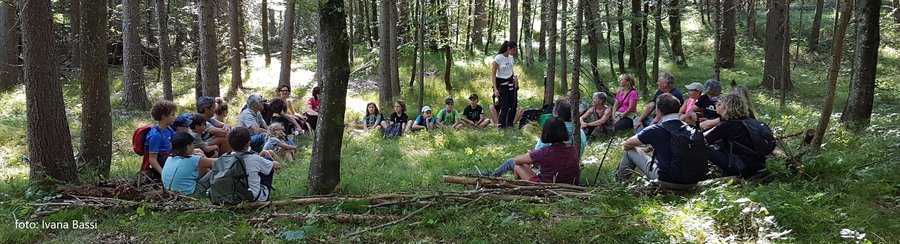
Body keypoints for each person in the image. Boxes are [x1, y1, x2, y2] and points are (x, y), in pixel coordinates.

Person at [615, 93, 707, 189]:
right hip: (694, 180)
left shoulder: (655, 129)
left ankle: (618, 182)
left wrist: (639, 149)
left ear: (660, 112)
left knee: (631, 152)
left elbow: (627, 144)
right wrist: (649, 148)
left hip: (667, 180)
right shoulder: (689, 128)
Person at [483, 118, 580, 184]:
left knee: (514, 163)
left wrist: (532, 159)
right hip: (569, 184)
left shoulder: (544, 152)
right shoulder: (572, 149)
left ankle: (493, 175)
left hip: (546, 186)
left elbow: (517, 160)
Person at [704, 93, 766, 178]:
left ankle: (697, 174)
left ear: (726, 108)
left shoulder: (727, 125)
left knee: (701, 148)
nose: (716, 105)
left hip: (740, 167)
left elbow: (702, 140)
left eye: (719, 104)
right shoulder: (749, 121)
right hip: (759, 165)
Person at [225, 127, 282, 202]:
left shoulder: (225, 159)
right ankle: (265, 193)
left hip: (232, 197)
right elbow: (276, 165)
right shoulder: (254, 158)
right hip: (254, 198)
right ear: (248, 143)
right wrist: (271, 160)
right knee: (267, 162)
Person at [142, 100, 178, 183]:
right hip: (162, 161)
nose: (175, 117)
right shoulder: (156, 135)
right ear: (163, 116)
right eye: (172, 115)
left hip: (169, 157)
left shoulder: (168, 129)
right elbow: (152, 159)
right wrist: (163, 173)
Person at [492, 41, 519, 128]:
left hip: (510, 82)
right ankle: (501, 125)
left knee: (513, 103)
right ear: (508, 49)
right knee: (504, 105)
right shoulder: (498, 58)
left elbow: (510, 69)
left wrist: (514, 77)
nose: (515, 52)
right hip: (501, 83)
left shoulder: (511, 58)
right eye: (514, 50)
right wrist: (495, 89)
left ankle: (510, 123)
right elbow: (493, 75)